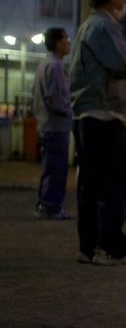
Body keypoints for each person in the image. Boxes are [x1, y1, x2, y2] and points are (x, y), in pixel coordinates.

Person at [69, 0, 126, 266]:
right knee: (115, 185)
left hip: (88, 116)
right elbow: (120, 63)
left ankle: (89, 247)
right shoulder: (104, 26)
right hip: (106, 116)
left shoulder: (86, 27)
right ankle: (113, 248)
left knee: (91, 185)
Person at [32, 27, 72, 220]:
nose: (69, 43)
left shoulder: (43, 65)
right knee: (56, 168)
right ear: (58, 43)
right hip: (56, 126)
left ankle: (45, 204)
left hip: (46, 124)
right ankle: (50, 207)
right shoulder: (55, 66)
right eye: (66, 39)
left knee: (49, 167)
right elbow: (56, 99)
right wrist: (71, 110)